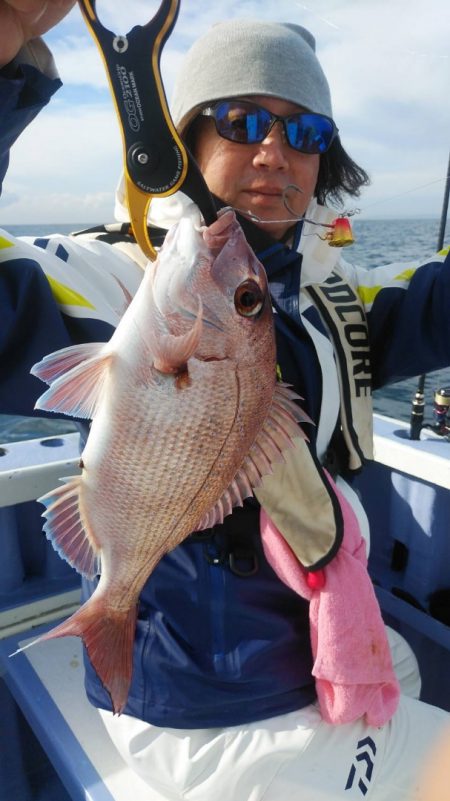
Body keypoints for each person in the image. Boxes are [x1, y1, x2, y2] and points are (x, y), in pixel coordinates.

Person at [1, 2, 450, 799]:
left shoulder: (332, 298)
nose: (276, 152)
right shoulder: (116, 283)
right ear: (185, 141)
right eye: (243, 121)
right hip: (207, 704)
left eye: (305, 132)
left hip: (324, 645)